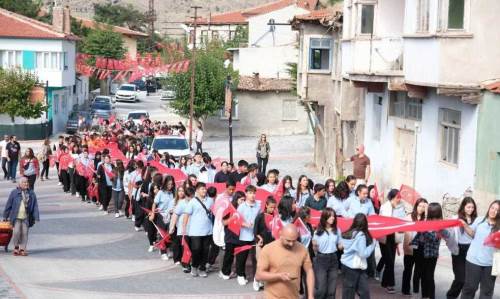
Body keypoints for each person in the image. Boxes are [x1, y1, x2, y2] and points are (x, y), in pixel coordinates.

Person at [255, 224, 314, 299]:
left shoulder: (302, 249)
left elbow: (309, 271)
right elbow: (258, 275)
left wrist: (311, 295)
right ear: (280, 234)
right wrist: (279, 276)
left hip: (294, 295)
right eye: (288, 240)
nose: (291, 244)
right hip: (273, 296)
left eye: (294, 240)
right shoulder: (268, 249)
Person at [459, 200, 499, 299]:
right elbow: (472, 233)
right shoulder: (480, 220)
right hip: (473, 260)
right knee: (470, 288)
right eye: (492, 208)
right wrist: (464, 224)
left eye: (497, 210)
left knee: (487, 292)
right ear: (489, 208)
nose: (493, 211)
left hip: (493, 262)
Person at [410, 202, 450, 299]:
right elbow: (420, 236)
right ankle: (424, 296)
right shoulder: (426, 222)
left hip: (431, 254)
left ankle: (430, 296)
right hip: (421, 251)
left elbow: (442, 236)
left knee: (429, 277)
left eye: (429, 210)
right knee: (422, 275)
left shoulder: (440, 224)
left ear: (432, 212)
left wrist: (425, 230)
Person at [340, 213, 377, 299]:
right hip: (355, 267)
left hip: (347, 266)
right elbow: (363, 254)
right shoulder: (361, 235)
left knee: (348, 293)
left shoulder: (348, 233)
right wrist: (372, 245)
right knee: (364, 293)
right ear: (365, 223)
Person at [446, 197, 477, 299]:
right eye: (468, 207)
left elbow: (474, 235)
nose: (470, 209)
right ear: (463, 207)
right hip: (458, 250)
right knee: (460, 279)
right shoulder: (455, 218)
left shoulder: (476, 220)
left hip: (471, 250)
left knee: (468, 280)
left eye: (472, 207)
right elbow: (449, 233)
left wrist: (464, 225)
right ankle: (451, 296)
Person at [378, 189, 406, 294]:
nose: (399, 199)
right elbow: (384, 221)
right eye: (397, 197)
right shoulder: (385, 206)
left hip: (394, 236)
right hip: (384, 237)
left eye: (400, 197)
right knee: (389, 261)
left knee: (390, 261)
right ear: (393, 197)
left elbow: (402, 220)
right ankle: (390, 284)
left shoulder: (401, 207)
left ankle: (385, 282)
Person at [183, 182, 214, 278]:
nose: (204, 190)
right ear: (197, 190)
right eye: (202, 189)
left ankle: (202, 268)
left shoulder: (210, 200)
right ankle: (194, 265)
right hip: (195, 231)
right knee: (196, 249)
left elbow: (213, 212)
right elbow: (186, 215)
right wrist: (184, 229)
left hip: (208, 231)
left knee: (205, 251)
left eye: (205, 189)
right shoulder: (192, 201)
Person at [3, 177, 39, 256]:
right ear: (19, 184)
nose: (26, 184)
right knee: (16, 232)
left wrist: (36, 217)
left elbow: (35, 206)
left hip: (26, 217)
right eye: (24, 182)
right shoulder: (14, 193)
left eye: (27, 182)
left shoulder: (31, 193)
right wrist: (5, 216)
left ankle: (22, 248)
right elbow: (9, 204)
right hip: (16, 217)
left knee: (25, 233)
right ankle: (16, 247)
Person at [312, 208, 342, 299]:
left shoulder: (337, 230)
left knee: (331, 291)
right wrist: (314, 246)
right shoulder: (318, 231)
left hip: (333, 259)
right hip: (321, 259)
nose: (333, 218)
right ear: (325, 217)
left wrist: (343, 245)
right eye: (330, 216)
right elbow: (315, 249)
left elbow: (340, 245)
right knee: (321, 289)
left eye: (334, 216)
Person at [402, 197, 427, 296]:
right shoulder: (408, 217)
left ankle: (415, 291)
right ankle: (405, 290)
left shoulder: (426, 219)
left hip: (420, 248)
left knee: (418, 272)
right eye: (420, 206)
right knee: (407, 270)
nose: (421, 208)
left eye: (424, 206)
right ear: (416, 206)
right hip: (409, 247)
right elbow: (401, 230)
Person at [151, 175, 176, 260]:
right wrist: (153, 214)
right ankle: (163, 252)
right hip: (161, 215)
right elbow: (154, 203)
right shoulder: (161, 193)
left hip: (170, 215)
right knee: (162, 234)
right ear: (165, 184)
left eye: (172, 184)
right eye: (169, 184)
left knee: (170, 233)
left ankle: (167, 248)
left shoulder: (173, 192)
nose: (170, 186)